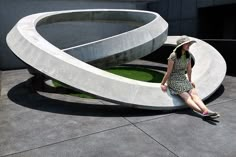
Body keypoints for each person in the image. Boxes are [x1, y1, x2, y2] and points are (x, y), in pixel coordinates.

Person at [160, 35, 220, 119]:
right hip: (174, 80)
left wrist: (190, 81)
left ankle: (205, 110)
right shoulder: (173, 56)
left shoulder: (188, 55)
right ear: (181, 46)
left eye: (189, 44)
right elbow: (168, 72)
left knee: (194, 94)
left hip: (183, 79)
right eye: (186, 44)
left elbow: (189, 70)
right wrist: (163, 83)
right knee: (186, 96)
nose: (188, 46)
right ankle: (204, 112)